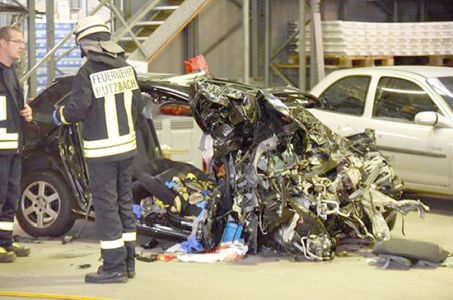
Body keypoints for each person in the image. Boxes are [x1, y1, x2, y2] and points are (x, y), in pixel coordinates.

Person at [53, 15, 142, 283]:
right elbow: (137, 106)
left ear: (85, 43)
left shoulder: (88, 72)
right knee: (124, 203)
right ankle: (128, 263)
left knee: (105, 208)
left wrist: (60, 115)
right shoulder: (126, 68)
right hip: (127, 150)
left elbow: (77, 109)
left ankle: (113, 268)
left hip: (102, 153)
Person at [0, 26, 33, 263]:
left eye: (23, 41)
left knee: (11, 196)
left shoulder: (12, 72)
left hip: (13, 146)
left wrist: (27, 111)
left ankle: (5, 241)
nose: (22, 45)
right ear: (2, 43)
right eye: (17, 41)